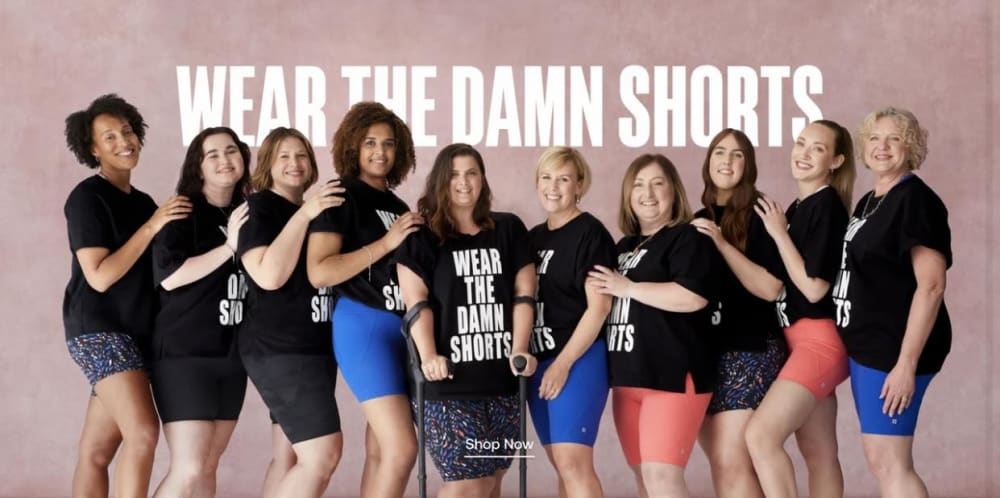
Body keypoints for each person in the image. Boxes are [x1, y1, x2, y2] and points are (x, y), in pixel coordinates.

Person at [62, 94, 191, 497]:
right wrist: (152, 226)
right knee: (143, 433)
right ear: (93, 149)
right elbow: (99, 277)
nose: (124, 141)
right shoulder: (87, 198)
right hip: (100, 330)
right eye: (110, 137)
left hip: (136, 335)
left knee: (97, 452)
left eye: (128, 131)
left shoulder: (144, 203)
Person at [396, 143, 537, 498]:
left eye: (471, 173)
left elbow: (524, 294)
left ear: (482, 179)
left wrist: (520, 348)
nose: (463, 182)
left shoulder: (508, 228)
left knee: (493, 481)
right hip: (448, 386)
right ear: (441, 181)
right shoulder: (422, 237)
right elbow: (416, 303)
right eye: (454, 175)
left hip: (502, 381)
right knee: (469, 486)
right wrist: (429, 356)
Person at [306, 102, 421, 498]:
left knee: (380, 451)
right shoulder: (341, 196)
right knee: (402, 449)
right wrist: (386, 243)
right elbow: (320, 271)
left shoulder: (397, 206)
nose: (380, 152)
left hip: (401, 330)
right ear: (352, 146)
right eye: (370, 142)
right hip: (364, 326)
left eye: (388, 143)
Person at [835, 107, 950, 498]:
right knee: (881, 459)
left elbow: (931, 286)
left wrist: (906, 364)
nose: (882, 147)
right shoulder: (870, 200)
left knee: (890, 462)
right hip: (869, 345)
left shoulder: (915, 200)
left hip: (894, 349)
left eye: (894, 139)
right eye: (874, 138)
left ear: (910, 147)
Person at [589, 154, 718, 498]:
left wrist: (628, 288)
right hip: (628, 379)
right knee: (644, 480)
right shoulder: (623, 247)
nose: (647, 193)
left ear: (673, 191)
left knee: (662, 478)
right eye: (638, 185)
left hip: (672, 378)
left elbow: (693, 297)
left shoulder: (687, 238)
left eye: (657, 183)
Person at [744, 120, 856, 498]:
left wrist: (778, 232)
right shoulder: (797, 207)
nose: (804, 153)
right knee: (819, 453)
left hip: (819, 343)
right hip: (798, 342)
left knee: (761, 436)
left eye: (818, 148)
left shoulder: (827, 207)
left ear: (836, 161)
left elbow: (813, 287)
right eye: (801, 143)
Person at [237, 127, 345, 498]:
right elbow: (269, 276)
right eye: (283, 156)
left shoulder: (313, 213)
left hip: (312, 349)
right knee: (322, 454)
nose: (294, 163)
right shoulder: (260, 207)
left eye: (301, 155)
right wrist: (306, 213)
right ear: (267, 164)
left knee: (287, 457)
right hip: (281, 349)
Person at [149, 127, 251, 498]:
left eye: (232, 150)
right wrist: (229, 248)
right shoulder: (183, 210)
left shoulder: (248, 213)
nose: (225, 160)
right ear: (199, 166)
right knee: (189, 468)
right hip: (184, 355)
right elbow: (170, 276)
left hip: (232, 356)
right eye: (213, 154)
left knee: (208, 466)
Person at [690, 129, 787, 498]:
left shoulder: (760, 213)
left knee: (730, 460)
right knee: (723, 463)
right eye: (719, 152)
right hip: (705, 354)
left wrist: (720, 242)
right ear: (708, 161)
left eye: (737, 154)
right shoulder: (696, 218)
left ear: (749, 165)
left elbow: (771, 288)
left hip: (749, 349)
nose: (727, 161)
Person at [527, 147, 616, 498]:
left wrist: (563, 364)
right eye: (546, 177)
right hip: (539, 361)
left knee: (574, 464)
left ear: (579, 185)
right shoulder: (532, 238)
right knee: (562, 466)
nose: (553, 187)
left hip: (578, 359)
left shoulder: (590, 234)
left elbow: (599, 308)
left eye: (563, 179)